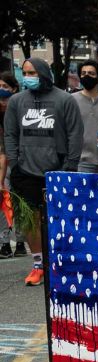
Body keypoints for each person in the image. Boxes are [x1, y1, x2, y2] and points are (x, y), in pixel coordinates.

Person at [3, 58, 83, 286]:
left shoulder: (64, 100)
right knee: (30, 222)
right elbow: (9, 134)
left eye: (32, 73)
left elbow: (75, 135)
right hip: (24, 171)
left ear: (44, 74)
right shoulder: (17, 101)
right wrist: (14, 161)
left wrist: (70, 167)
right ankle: (38, 264)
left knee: (60, 220)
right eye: (25, 72)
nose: (28, 76)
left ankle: (61, 263)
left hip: (57, 170)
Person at [0, 72, 16, 258]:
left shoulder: (19, 108)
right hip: (4, 162)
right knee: (3, 204)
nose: (2, 90)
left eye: (5, 86)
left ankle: (20, 241)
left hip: (18, 164)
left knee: (19, 205)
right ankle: (4, 242)